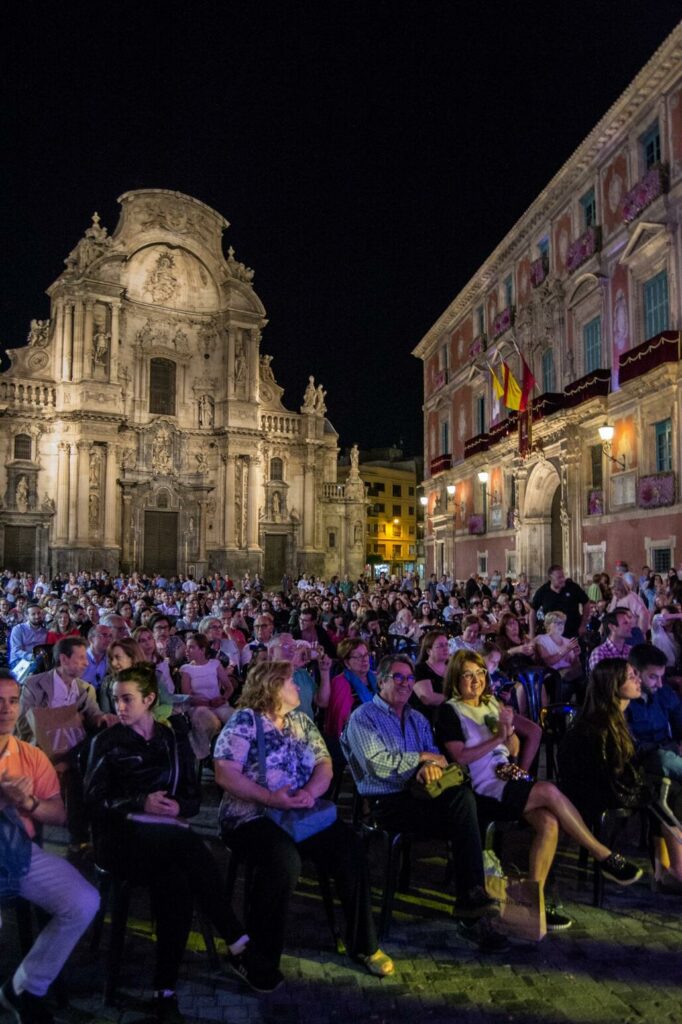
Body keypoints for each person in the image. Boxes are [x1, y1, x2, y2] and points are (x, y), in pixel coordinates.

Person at [214, 660, 393, 992]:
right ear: (271, 687)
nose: (298, 686)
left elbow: (325, 763)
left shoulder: (301, 721)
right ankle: (257, 959)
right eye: (291, 682)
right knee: (282, 860)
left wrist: (309, 793)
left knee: (349, 846)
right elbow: (225, 773)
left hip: (297, 812)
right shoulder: (244, 722)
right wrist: (269, 798)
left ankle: (363, 944)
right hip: (250, 817)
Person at [84, 665, 248, 1022]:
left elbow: (191, 796)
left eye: (128, 699)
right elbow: (92, 801)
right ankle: (236, 938)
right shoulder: (107, 742)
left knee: (177, 879)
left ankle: (165, 990)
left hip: (167, 838)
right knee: (189, 848)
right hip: (122, 839)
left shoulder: (171, 740)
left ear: (150, 699)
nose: (121, 707)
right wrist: (139, 802)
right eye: (116, 699)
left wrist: (179, 806)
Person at [436, 651, 642, 930]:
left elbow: (518, 744)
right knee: (547, 790)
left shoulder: (491, 703)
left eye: (481, 673)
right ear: (455, 679)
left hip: (507, 779)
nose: (476, 681)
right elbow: (459, 756)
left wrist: (509, 738)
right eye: (468, 675)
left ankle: (533, 905)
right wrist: (498, 738)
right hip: (481, 787)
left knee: (549, 822)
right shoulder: (451, 710)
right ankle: (602, 855)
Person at [342, 654, 507, 952]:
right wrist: (418, 760)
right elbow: (375, 764)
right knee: (464, 815)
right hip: (386, 802)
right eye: (398, 678)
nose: (406, 684)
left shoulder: (417, 718)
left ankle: (471, 902)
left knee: (465, 803)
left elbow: (438, 758)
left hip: (420, 795)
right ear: (381, 681)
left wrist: (429, 768)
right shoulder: (364, 717)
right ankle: (472, 907)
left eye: (409, 678)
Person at [0, 672, 100, 1024]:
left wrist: (26, 801)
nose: (6, 709)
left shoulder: (31, 756)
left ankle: (26, 986)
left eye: (13, 701)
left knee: (84, 900)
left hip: (21, 854)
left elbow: (59, 815)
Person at [559, 658, 682, 886]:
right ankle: (674, 869)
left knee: (666, 789)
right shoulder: (600, 724)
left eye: (637, 674)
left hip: (609, 784)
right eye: (631, 677)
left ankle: (667, 869)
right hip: (593, 794)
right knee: (664, 791)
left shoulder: (615, 718)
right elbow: (609, 775)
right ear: (613, 685)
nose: (638, 680)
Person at [626, 644, 682, 783]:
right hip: (645, 759)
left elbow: (679, 718)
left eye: (661, 677)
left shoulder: (664, 692)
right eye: (653, 677)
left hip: (669, 749)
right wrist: (673, 748)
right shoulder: (624, 700)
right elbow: (633, 747)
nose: (660, 684)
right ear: (635, 673)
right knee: (665, 760)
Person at [180, 634, 234, 759]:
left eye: (191, 647)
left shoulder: (215, 664)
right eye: (187, 648)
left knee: (234, 718)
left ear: (202, 650)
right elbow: (187, 696)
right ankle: (210, 756)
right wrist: (207, 703)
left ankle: (233, 753)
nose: (187, 651)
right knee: (210, 722)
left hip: (218, 704)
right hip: (199, 706)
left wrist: (223, 698)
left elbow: (229, 687)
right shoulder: (186, 669)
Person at [324, 639, 378, 749]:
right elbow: (343, 721)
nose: (364, 660)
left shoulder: (376, 678)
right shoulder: (340, 682)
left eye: (366, 654)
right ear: (347, 662)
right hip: (355, 740)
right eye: (358, 656)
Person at [529, 565, 589, 640]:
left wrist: (583, 625)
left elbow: (586, 603)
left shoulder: (573, 587)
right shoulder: (542, 591)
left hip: (573, 632)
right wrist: (531, 632)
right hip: (552, 635)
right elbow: (533, 610)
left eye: (563, 576)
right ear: (551, 578)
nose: (563, 579)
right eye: (559, 577)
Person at [412, 630, 450, 722]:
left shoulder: (452, 667)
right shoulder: (420, 669)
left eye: (447, 645)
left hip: (450, 715)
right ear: (429, 651)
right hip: (428, 718)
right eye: (440, 646)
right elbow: (428, 698)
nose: (445, 648)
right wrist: (456, 698)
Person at [587, 608, 633, 672]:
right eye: (625, 623)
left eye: (629, 622)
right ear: (612, 627)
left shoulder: (631, 651)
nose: (630, 625)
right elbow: (600, 680)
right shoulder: (599, 653)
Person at [8, 605, 48, 670]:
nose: (37, 616)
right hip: (19, 660)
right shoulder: (18, 629)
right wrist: (32, 657)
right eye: (33, 614)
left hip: (38, 660)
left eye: (39, 613)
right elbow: (16, 651)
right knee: (36, 668)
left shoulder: (45, 631)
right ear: (27, 616)